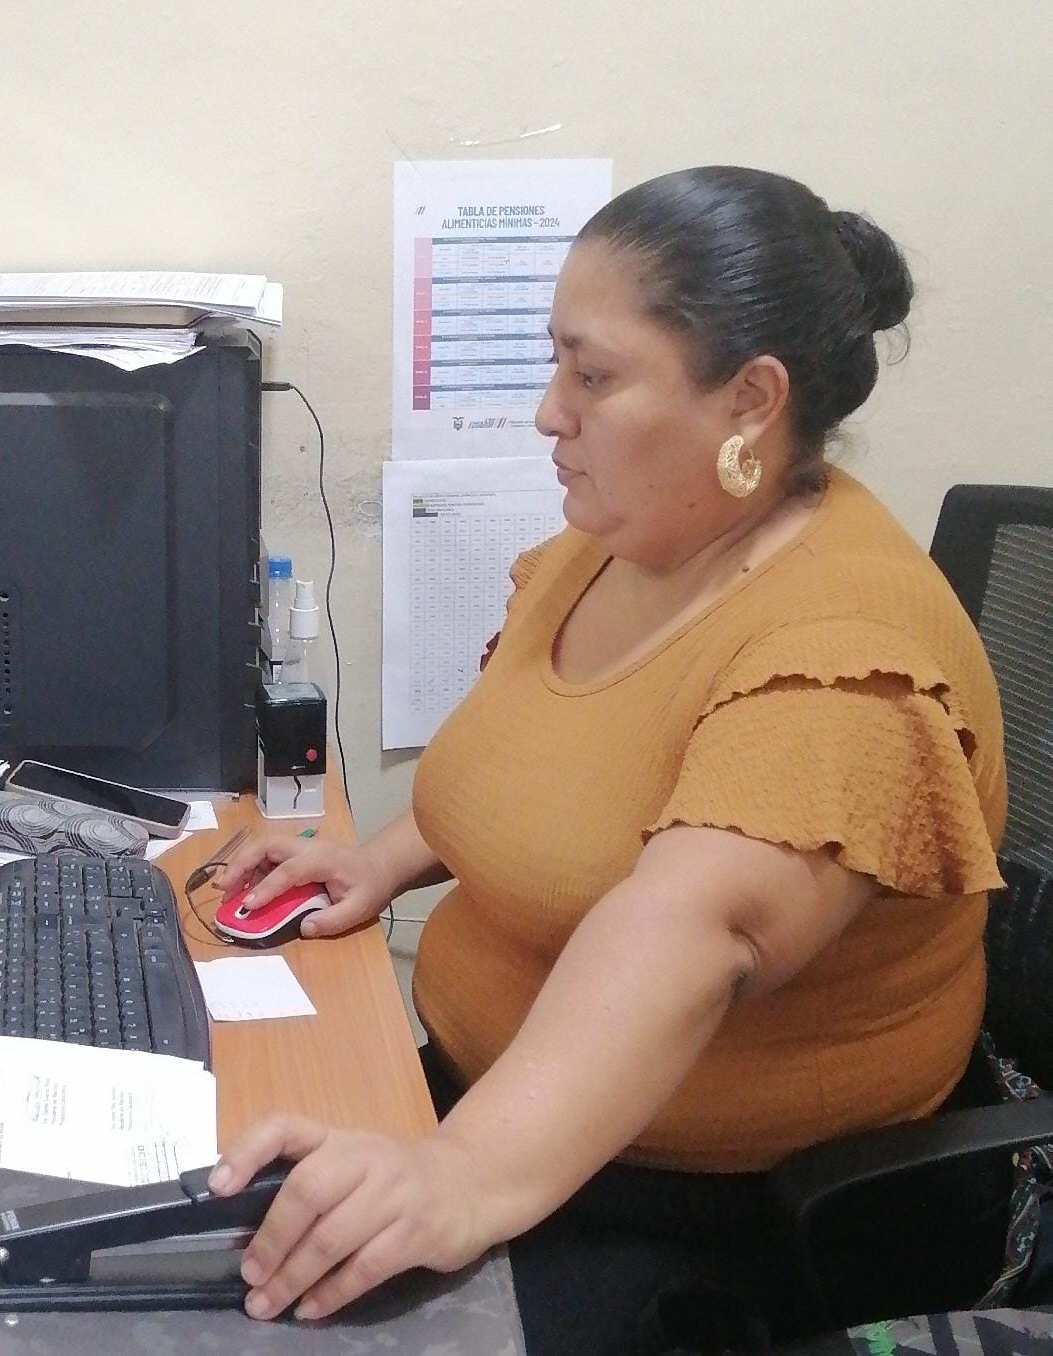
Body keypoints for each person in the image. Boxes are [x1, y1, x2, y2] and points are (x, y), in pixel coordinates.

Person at [209, 166, 1007, 1355]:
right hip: (518, 1129)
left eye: (592, 376)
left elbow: (696, 929)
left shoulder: (847, 655)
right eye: (556, 364)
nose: (549, 412)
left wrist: (460, 1176)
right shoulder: (629, 541)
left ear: (750, 400)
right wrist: (381, 860)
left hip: (721, 1215)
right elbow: (543, 763)